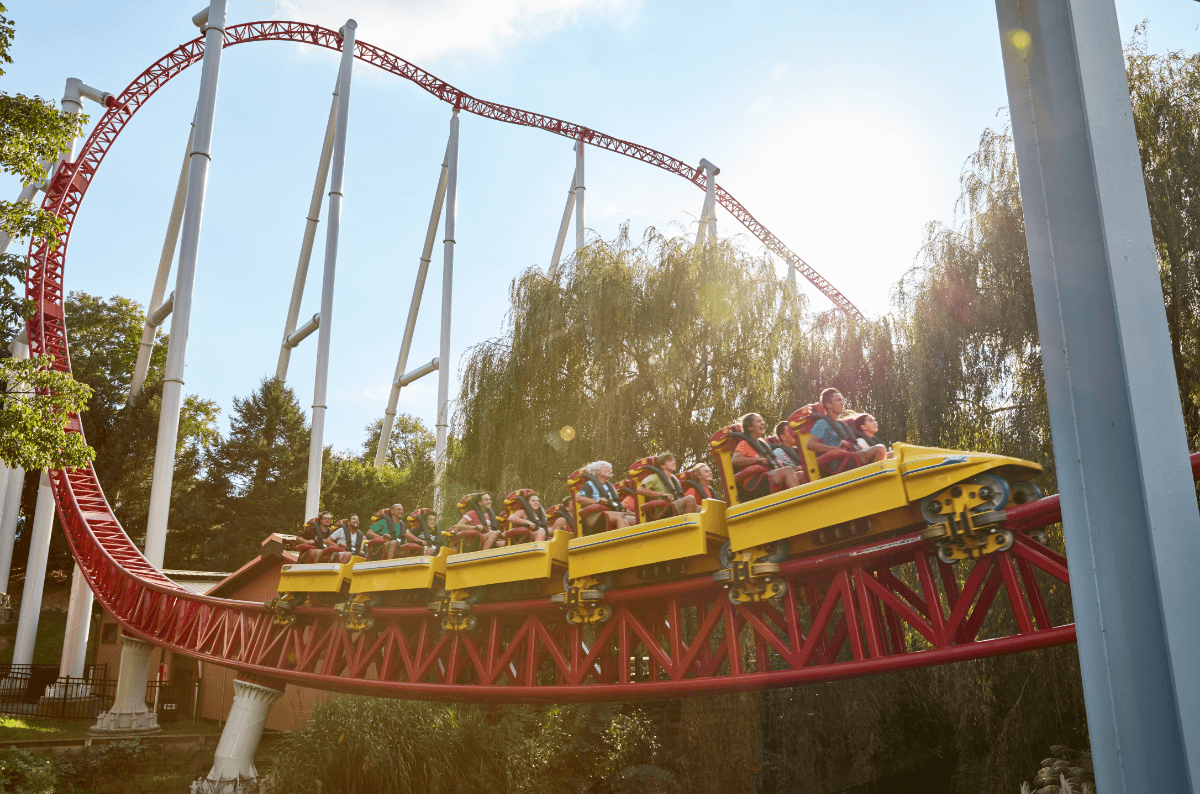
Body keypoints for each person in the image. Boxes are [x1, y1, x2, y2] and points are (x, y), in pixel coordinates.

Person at [806, 389, 886, 475]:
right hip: (839, 464)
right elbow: (810, 444)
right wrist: (836, 449)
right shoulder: (822, 423)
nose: (843, 402)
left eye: (843, 400)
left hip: (850, 457)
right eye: (838, 400)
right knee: (879, 449)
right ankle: (874, 481)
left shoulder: (841, 425)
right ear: (828, 404)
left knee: (890, 454)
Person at [731, 413, 800, 494]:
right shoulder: (744, 443)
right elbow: (735, 460)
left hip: (767, 475)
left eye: (762, 421)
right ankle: (800, 500)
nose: (763, 423)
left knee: (800, 474)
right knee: (787, 470)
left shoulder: (762, 445)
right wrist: (758, 460)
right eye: (758, 421)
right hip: (755, 482)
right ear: (750, 427)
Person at [576, 461, 635, 534]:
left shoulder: (610, 488)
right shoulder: (589, 484)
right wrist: (597, 501)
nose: (609, 469)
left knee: (635, 520)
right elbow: (578, 498)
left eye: (610, 468)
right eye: (605, 467)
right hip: (594, 515)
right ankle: (626, 542)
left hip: (611, 512)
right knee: (619, 516)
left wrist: (632, 513)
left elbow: (614, 505)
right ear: (597, 470)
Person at [634, 452, 697, 518]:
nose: (674, 462)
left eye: (674, 460)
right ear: (662, 465)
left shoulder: (674, 479)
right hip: (663, 510)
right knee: (690, 499)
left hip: (674, 506)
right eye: (670, 461)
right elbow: (639, 490)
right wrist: (662, 495)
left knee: (701, 507)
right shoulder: (655, 477)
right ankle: (687, 527)